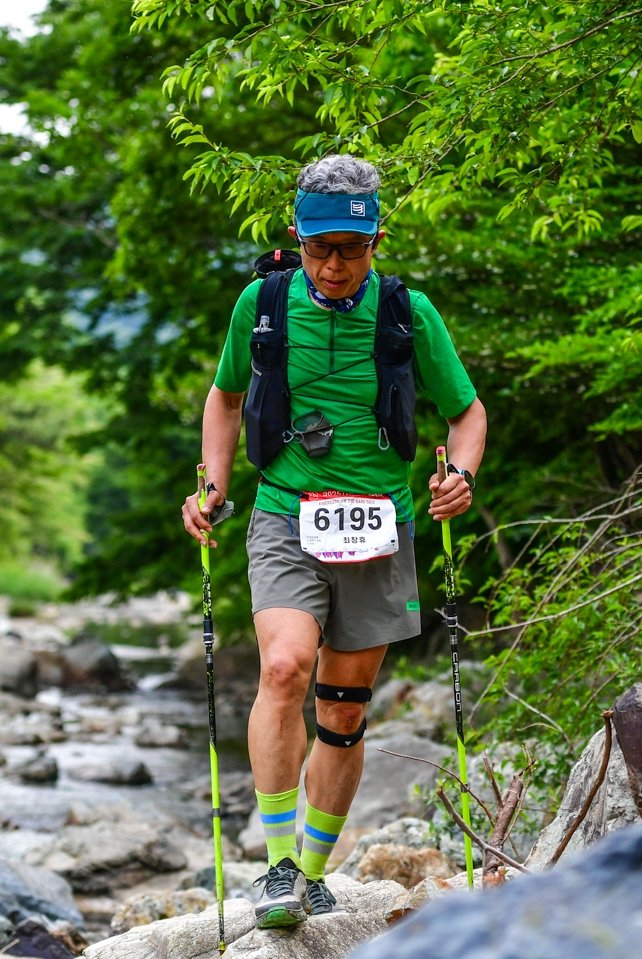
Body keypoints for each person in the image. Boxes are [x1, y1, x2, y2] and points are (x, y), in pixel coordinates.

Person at [182, 154, 487, 929]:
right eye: (321, 247)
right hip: (286, 511)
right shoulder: (263, 301)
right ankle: (278, 864)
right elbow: (222, 398)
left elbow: (467, 412)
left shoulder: (405, 311)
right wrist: (213, 484)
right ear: (298, 234)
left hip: (379, 523)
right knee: (284, 667)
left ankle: (314, 873)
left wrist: (462, 475)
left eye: (352, 248)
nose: (335, 263)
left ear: (377, 238)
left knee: (343, 710)